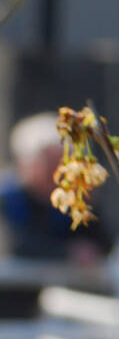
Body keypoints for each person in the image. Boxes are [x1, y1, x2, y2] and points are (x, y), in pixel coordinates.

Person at [0, 112, 112, 263]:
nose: (58, 172)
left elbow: (104, 244)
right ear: (25, 164)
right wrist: (66, 252)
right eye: (49, 163)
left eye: (63, 163)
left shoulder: (75, 199)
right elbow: (13, 245)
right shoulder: (7, 198)